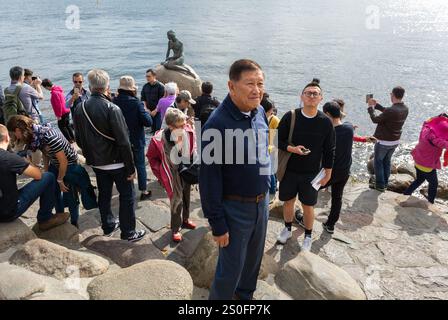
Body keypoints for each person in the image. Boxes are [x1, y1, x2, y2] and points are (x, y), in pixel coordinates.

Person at [200, 59, 270, 300]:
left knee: (253, 262)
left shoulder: (259, 111)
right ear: (231, 86)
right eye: (250, 83)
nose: (257, 90)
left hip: (262, 203)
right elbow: (209, 179)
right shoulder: (217, 124)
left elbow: (263, 148)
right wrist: (217, 222)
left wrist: (269, 182)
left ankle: (244, 298)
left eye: (260, 83)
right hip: (235, 209)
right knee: (229, 270)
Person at [73, 69, 146, 242]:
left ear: (90, 86)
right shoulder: (112, 108)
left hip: (97, 163)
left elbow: (78, 138)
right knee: (127, 196)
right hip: (117, 162)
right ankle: (128, 232)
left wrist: (90, 155)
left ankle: (108, 225)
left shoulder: (79, 107)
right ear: (107, 86)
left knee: (104, 195)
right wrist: (130, 167)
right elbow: (124, 141)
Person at [276, 79, 335, 251]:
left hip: (312, 172)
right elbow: (275, 139)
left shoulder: (325, 122)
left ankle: (308, 236)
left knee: (308, 206)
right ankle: (287, 229)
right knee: (288, 202)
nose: (311, 96)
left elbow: (330, 149)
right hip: (289, 170)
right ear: (301, 96)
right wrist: (291, 149)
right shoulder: (291, 116)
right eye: (308, 93)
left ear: (320, 98)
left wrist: (328, 172)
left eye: (315, 93)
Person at [7, 115, 88, 227]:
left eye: (13, 134)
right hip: (55, 164)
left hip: (69, 167)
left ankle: (74, 222)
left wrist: (60, 180)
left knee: (70, 195)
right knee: (53, 191)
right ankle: (60, 215)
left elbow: (63, 161)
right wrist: (47, 171)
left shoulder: (49, 136)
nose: (15, 137)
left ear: (18, 130)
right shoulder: (36, 136)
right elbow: (46, 154)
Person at [0, 124, 69, 230]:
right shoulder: (8, 158)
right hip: (7, 212)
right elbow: (38, 175)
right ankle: (45, 218)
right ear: (7, 138)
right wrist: (28, 163)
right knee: (49, 177)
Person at [147, 108, 197, 242]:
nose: (184, 127)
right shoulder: (158, 139)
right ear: (170, 126)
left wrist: (194, 164)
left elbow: (194, 147)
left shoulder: (188, 131)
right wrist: (161, 174)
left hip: (186, 170)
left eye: (184, 124)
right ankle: (175, 229)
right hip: (171, 175)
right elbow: (152, 158)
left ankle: (185, 219)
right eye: (180, 125)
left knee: (187, 196)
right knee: (176, 200)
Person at [113, 75, 153, 201]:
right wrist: (145, 111)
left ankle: (127, 190)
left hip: (120, 141)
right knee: (140, 165)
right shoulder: (136, 103)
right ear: (132, 89)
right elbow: (148, 122)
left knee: (125, 166)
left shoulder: (114, 102)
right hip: (136, 140)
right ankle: (143, 190)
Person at [367, 87, 409, 192]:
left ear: (393, 95)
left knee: (378, 162)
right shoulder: (405, 108)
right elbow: (389, 112)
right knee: (387, 162)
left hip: (383, 142)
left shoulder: (391, 110)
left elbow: (375, 119)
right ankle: (385, 183)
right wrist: (377, 106)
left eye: (391, 94)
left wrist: (371, 108)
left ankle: (380, 186)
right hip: (395, 141)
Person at [404, 114, 448, 204]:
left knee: (420, 179)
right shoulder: (436, 140)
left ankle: (406, 193)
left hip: (418, 160)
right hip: (426, 165)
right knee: (434, 184)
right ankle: (430, 202)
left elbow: (429, 121)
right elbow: (444, 144)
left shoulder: (426, 128)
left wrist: (439, 117)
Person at [41, 79, 75, 143]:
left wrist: (59, 115)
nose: (46, 89)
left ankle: (70, 140)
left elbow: (58, 105)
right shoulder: (58, 89)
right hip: (67, 109)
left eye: (45, 88)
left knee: (61, 126)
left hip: (62, 112)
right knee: (67, 125)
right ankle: (73, 138)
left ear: (47, 86)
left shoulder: (54, 93)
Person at [261, 93, 280, 198]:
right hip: (264, 147)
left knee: (271, 171)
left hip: (271, 147)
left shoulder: (274, 120)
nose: (272, 112)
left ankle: (272, 190)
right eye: (270, 110)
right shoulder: (261, 118)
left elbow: (276, 136)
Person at [141, 69, 165, 133]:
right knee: (152, 129)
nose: (147, 78)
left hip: (158, 111)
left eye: (149, 76)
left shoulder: (160, 86)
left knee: (158, 129)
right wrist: (146, 109)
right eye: (146, 76)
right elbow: (143, 99)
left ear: (154, 76)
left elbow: (162, 100)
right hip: (149, 111)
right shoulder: (145, 86)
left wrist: (155, 110)